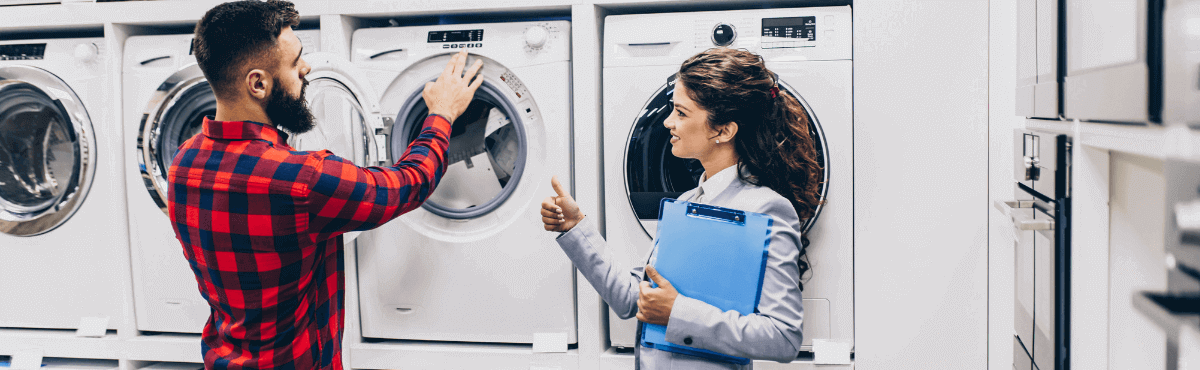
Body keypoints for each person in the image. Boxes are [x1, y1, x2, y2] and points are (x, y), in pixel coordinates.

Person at [167, 1, 483, 368]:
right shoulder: (302, 180)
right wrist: (442, 113)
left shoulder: (183, 162)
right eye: (295, 61)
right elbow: (409, 182)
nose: (306, 69)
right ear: (258, 83)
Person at [541, 47, 824, 369]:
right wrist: (575, 227)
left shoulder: (766, 208)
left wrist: (678, 312)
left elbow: (783, 337)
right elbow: (630, 299)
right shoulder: (687, 202)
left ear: (723, 130)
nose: (667, 122)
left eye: (682, 113)